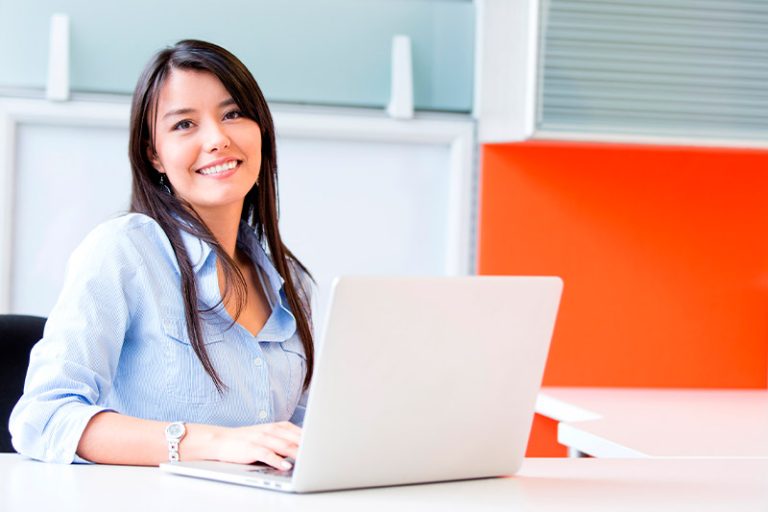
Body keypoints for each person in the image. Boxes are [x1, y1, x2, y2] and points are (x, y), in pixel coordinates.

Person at [9, 40, 314, 470]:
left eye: (232, 114)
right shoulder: (125, 252)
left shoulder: (289, 283)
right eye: (184, 125)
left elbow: (301, 435)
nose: (217, 139)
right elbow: (43, 418)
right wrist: (213, 442)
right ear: (154, 154)